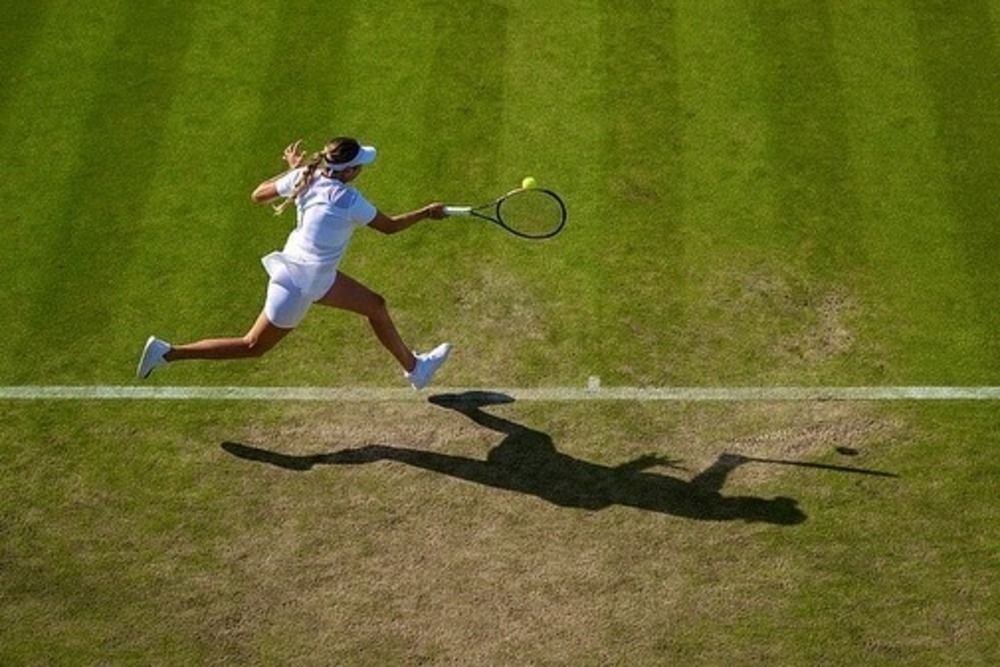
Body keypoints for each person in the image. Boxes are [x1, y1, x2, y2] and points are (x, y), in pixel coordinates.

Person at [136, 136, 451, 389]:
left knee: (375, 306)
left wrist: (293, 171)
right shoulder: (348, 200)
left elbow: (258, 195)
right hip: (302, 284)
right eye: (360, 166)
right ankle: (168, 353)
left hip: (311, 272)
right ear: (349, 171)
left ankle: (415, 370)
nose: (363, 170)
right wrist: (426, 213)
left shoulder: (306, 175)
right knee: (252, 346)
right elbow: (390, 227)